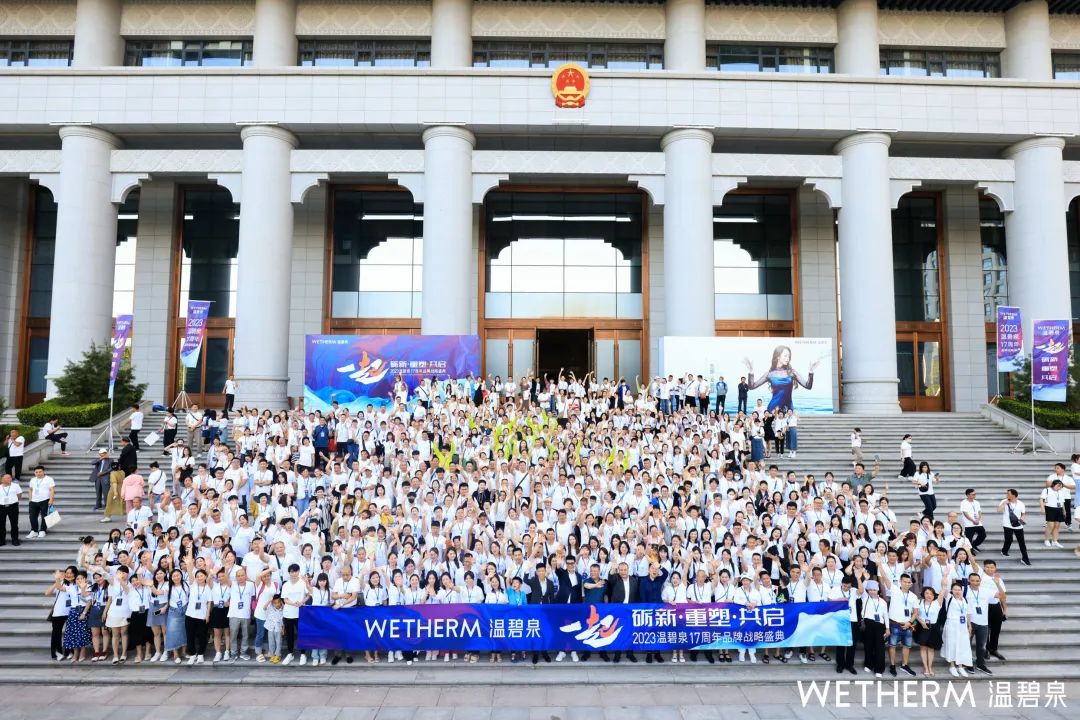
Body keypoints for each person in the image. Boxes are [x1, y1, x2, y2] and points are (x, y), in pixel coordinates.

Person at [743, 345, 818, 412]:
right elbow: (752, 386)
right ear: (778, 356)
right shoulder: (770, 374)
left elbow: (808, 386)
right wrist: (751, 372)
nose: (788, 358)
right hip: (773, 409)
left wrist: (811, 372)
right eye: (785, 356)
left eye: (789, 356)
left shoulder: (792, 372)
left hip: (788, 409)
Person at [941, 581, 972, 677]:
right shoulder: (949, 598)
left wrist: (969, 624)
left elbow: (967, 613)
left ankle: (960, 666)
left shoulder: (964, 600)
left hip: (962, 625)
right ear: (952, 591)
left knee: (962, 645)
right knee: (952, 645)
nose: (957, 591)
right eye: (955, 589)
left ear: (962, 590)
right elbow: (943, 587)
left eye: (959, 590)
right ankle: (952, 666)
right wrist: (945, 576)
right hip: (952, 624)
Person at [963, 572, 992, 675]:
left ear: (980, 581)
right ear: (969, 580)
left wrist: (997, 583)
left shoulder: (985, 591)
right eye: (973, 580)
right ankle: (967, 664)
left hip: (983, 622)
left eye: (977, 581)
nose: (975, 583)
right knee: (967, 644)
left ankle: (980, 664)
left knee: (981, 645)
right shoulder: (963, 590)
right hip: (970, 622)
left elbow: (1001, 596)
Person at [860, 579, 888, 678]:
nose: (872, 591)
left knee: (879, 648)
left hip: (879, 625)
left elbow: (885, 615)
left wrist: (887, 628)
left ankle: (879, 668)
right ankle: (868, 664)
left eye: (874, 589)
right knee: (868, 646)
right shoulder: (865, 598)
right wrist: (864, 580)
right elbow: (861, 589)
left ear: (878, 590)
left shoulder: (883, 602)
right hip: (868, 624)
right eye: (870, 589)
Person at [913, 586, 942, 678]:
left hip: (933, 627)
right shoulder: (919, 602)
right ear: (923, 594)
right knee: (923, 648)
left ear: (934, 595)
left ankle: (930, 667)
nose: (929, 595)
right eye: (927, 593)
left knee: (931, 648)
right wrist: (921, 622)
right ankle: (925, 667)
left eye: (931, 594)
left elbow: (943, 588)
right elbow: (915, 614)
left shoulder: (937, 603)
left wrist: (945, 576)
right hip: (922, 627)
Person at [998, 488, 1030, 566]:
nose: (1007, 495)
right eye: (1007, 494)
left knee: (1022, 542)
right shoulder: (1004, 501)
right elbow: (999, 510)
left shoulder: (1021, 503)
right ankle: (1004, 551)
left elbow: (1023, 513)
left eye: (1008, 494)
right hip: (1007, 525)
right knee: (1009, 539)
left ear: (1013, 495)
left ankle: (1025, 558)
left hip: (1018, 525)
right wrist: (1004, 504)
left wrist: (1022, 519)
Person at [26, 465, 55, 539]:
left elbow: (52, 490)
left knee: (44, 516)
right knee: (32, 517)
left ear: (43, 471)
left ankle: (42, 530)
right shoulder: (32, 479)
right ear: (34, 473)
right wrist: (30, 499)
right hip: (33, 501)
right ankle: (34, 531)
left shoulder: (49, 479)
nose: (38, 473)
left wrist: (51, 499)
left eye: (40, 472)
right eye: (36, 472)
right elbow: (30, 489)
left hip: (45, 500)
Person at [1041, 473, 1066, 549]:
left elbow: (1062, 502)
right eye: (1058, 485)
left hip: (1059, 509)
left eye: (1061, 486)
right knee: (1050, 525)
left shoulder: (1061, 492)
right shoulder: (1047, 490)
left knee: (1057, 526)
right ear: (1053, 485)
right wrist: (1042, 508)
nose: (1060, 487)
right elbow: (1041, 499)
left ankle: (1055, 541)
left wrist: (1064, 511)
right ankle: (1046, 540)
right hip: (1050, 508)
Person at [959, 488, 985, 553]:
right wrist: (973, 520)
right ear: (967, 495)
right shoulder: (964, 502)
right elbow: (965, 513)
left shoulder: (976, 502)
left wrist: (978, 519)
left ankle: (974, 545)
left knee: (983, 535)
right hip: (969, 524)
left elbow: (979, 511)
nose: (974, 495)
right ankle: (970, 551)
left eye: (975, 494)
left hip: (978, 523)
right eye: (973, 494)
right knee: (969, 538)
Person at [0, 472, 21, 546]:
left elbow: (19, 495)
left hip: (13, 506)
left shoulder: (15, 486)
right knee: (1, 524)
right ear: (2, 479)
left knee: (14, 524)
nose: (10, 479)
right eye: (8, 478)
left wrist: (14, 501)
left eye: (10, 477)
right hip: (1, 507)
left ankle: (15, 539)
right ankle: (1, 540)